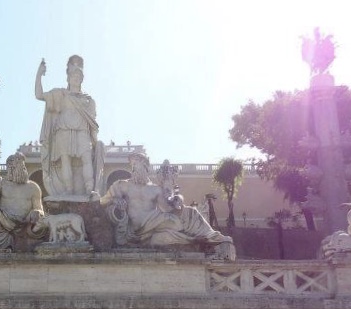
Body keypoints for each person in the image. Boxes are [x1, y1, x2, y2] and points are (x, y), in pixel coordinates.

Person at [99, 152, 235, 258]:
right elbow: (102, 201)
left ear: (147, 167)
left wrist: (178, 199)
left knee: (190, 212)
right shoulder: (121, 185)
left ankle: (212, 237)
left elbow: (169, 208)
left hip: (157, 221)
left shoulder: (155, 189)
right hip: (135, 228)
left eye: (140, 164)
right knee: (175, 225)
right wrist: (115, 201)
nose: (136, 168)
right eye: (134, 165)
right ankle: (196, 238)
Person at [34, 55, 103, 199]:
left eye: (79, 75)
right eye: (73, 75)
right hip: (63, 130)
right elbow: (39, 95)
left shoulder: (89, 100)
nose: (76, 77)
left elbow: (92, 124)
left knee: (86, 158)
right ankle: (69, 190)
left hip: (83, 130)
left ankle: (90, 189)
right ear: (68, 78)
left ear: (82, 79)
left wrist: (96, 142)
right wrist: (39, 75)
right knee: (65, 160)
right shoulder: (60, 94)